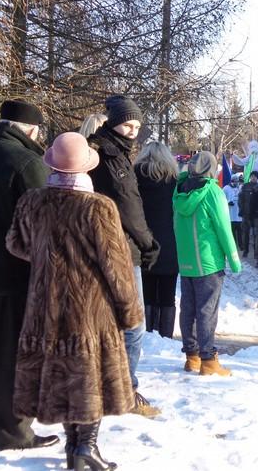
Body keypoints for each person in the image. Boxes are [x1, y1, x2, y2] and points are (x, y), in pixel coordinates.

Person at [6, 132, 141, 470]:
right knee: (89, 379)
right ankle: (85, 448)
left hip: (45, 308)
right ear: (86, 169)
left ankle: (74, 448)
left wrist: (46, 259)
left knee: (65, 380)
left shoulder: (33, 202)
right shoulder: (99, 207)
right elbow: (117, 267)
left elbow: (15, 244)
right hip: (90, 310)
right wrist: (128, 311)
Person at [0, 101, 59, 450]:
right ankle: (14, 431)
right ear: (31, 130)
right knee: (10, 356)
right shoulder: (27, 162)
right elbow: (42, 223)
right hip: (10, 275)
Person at [87, 94, 161, 418]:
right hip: (119, 248)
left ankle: (107, 386)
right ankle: (125, 390)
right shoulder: (111, 153)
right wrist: (148, 243)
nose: (133, 130)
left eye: (137, 125)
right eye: (127, 123)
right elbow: (128, 204)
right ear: (114, 122)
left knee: (109, 322)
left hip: (99, 244)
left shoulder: (98, 148)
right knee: (133, 323)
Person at [173, 151, 241, 375]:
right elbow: (223, 227)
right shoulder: (213, 191)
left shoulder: (179, 191)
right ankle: (209, 360)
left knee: (188, 309)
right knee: (207, 312)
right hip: (209, 262)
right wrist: (233, 258)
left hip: (186, 261)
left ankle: (191, 357)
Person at [135, 142, 180, 338]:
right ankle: (165, 336)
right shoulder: (174, 181)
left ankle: (147, 332)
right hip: (170, 244)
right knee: (168, 296)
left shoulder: (133, 177)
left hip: (143, 242)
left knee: (146, 292)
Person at [238, 170, 258, 257]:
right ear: (250, 177)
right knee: (245, 233)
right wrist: (242, 209)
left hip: (255, 215)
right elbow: (240, 199)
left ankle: (256, 252)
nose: (253, 177)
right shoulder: (245, 186)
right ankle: (245, 250)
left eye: (255, 176)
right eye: (252, 176)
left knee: (255, 234)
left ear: (257, 178)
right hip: (246, 213)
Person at [223, 173, 243, 250]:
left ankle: (241, 245)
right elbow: (222, 198)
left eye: (237, 181)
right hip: (230, 215)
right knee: (232, 232)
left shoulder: (240, 188)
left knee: (240, 232)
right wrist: (228, 202)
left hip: (239, 214)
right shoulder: (226, 188)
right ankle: (233, 245)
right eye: (235, 181)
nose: (236, 183)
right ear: (231, 181)